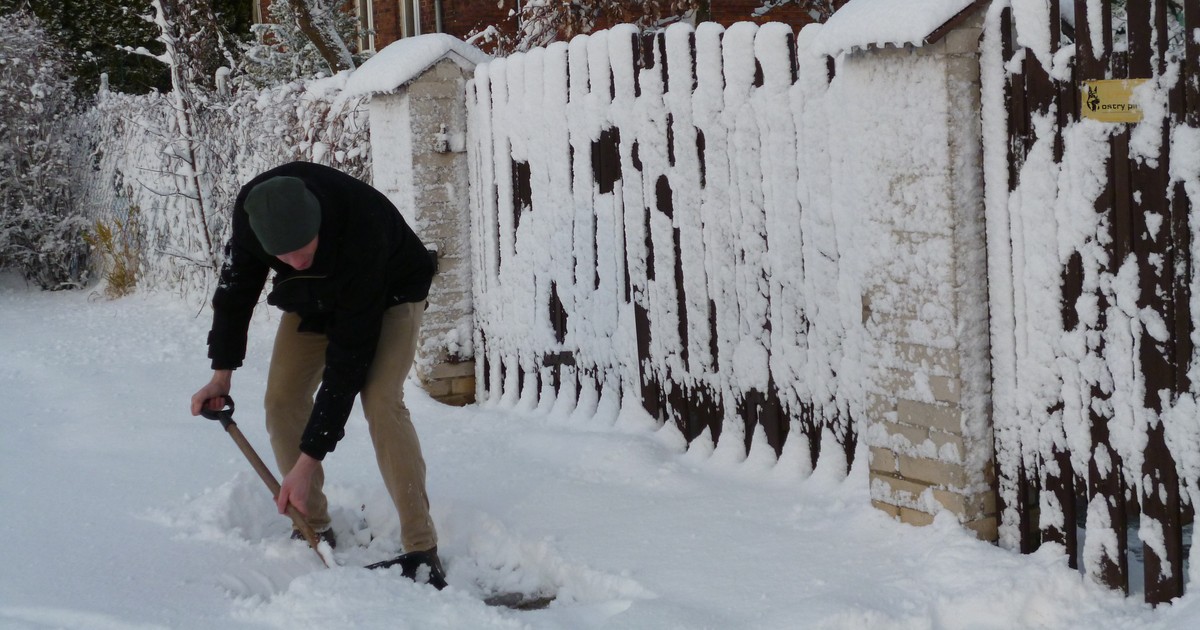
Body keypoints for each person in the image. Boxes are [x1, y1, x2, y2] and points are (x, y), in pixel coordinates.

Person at [189, 161, 445, 588]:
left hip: (391, 289)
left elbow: (348, 363)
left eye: (302, 249)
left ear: (318, 222)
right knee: (281, 401)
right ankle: (314, 528)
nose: (292, 260)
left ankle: (422, 547)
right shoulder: (254, 218)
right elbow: (235, 293)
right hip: (314, 295)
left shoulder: (360, 226)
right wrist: (221, 376)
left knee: (380, 399)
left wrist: (308, 461)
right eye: (282, 256)